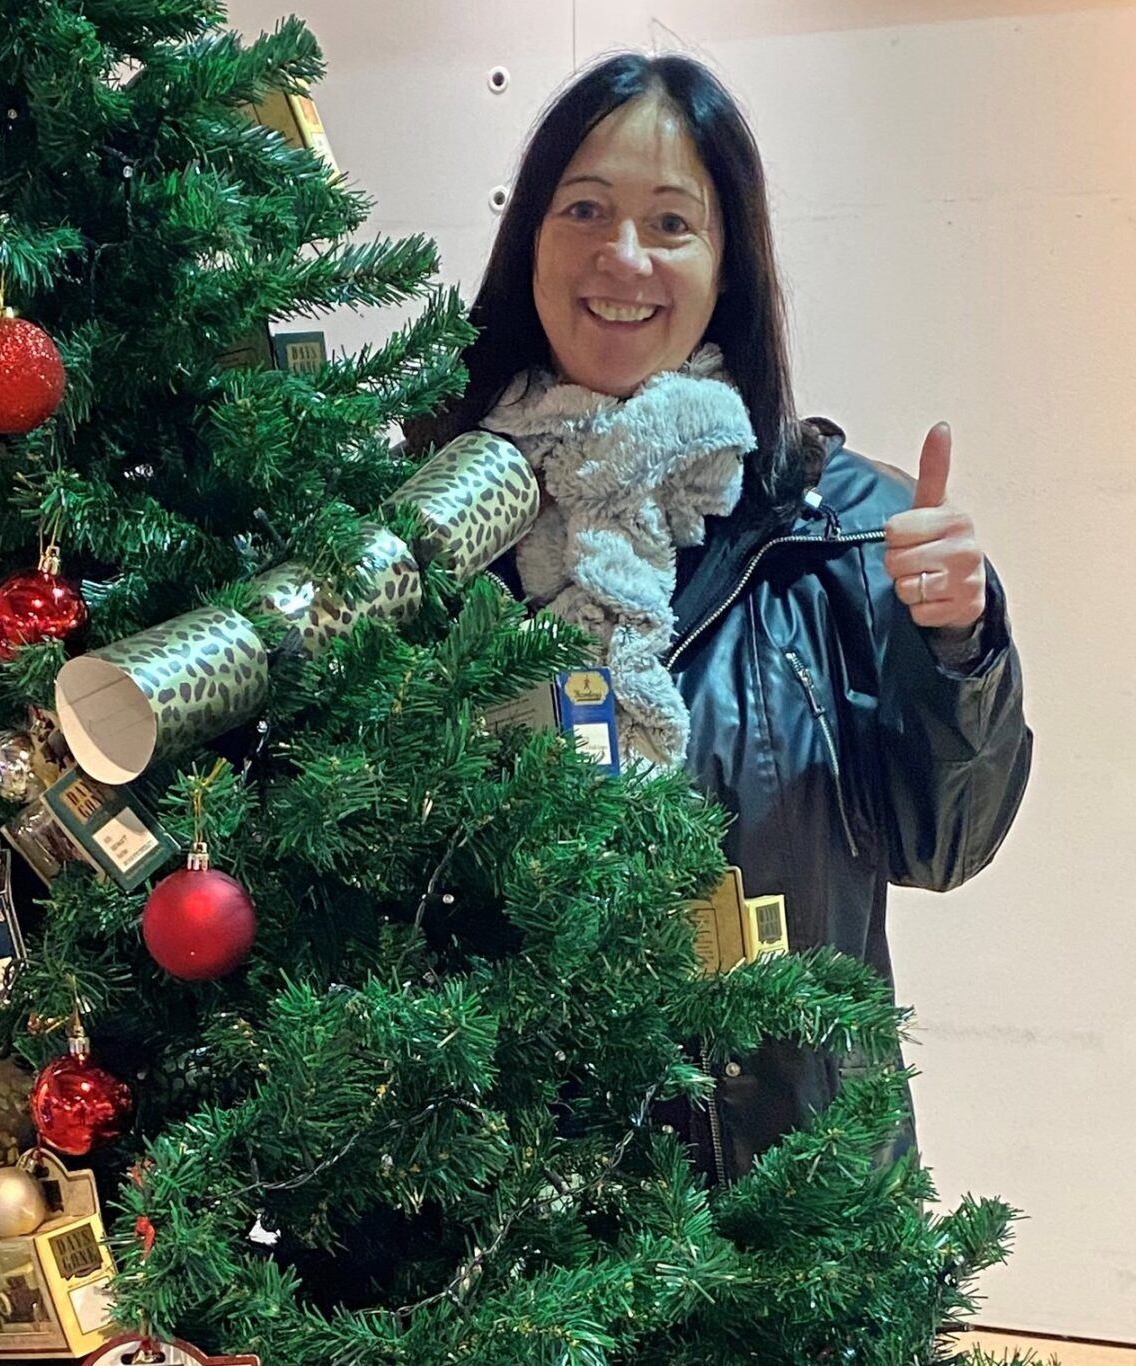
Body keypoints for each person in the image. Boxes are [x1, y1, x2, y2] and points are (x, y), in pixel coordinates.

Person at [406, 52, 1033, 1175]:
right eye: (585, 209)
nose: (623, 256)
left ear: (727, 261)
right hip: (503, 1207)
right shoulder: (438, 528)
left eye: (671, 222)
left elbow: (945, 844)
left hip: (782, 1194)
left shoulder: (839, 528)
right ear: (530, 241)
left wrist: (958, 648)